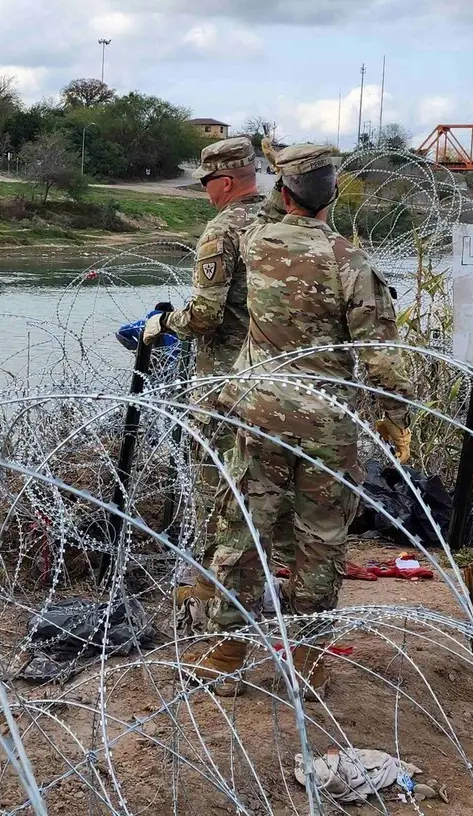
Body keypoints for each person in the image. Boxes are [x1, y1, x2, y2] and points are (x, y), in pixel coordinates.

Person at [196, 143, 413, 695]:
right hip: (326, 423)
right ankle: (309, 658)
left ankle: (228, 651)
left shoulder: (255, 242)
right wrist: (394, 417)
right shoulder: (348, 260)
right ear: (333, 194)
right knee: (320, 536)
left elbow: (261, 213)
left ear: (283, 191)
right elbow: (380, 352)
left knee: (244, 527)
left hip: (258, 411)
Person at [140, 136, 265, 622]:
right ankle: (265, 589)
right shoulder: (283, 223)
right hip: (278, 377)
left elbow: (207, 316)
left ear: (227, 181)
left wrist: (163, 325)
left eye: (208, 182)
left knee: (215, 487)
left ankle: (214, 600)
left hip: (223, 379)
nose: (205, 191)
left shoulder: (223, 229)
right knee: (266, 487)